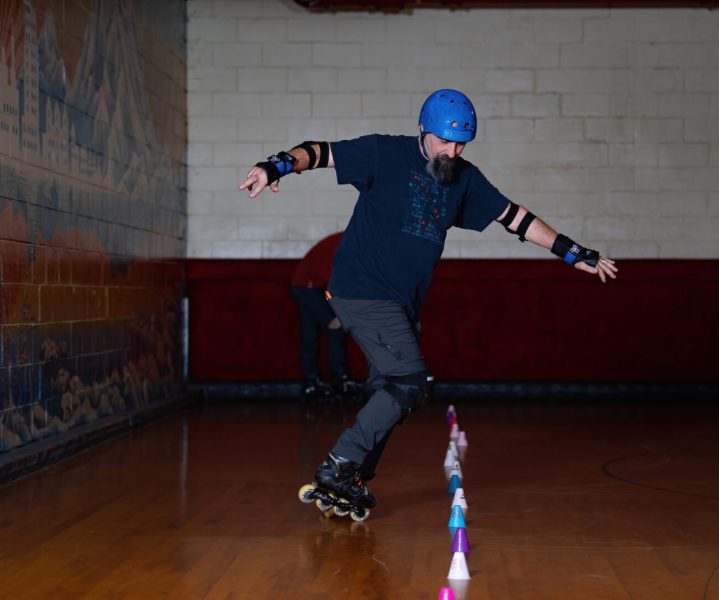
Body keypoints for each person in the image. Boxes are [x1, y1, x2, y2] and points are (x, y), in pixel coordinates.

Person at [239, 89, 618, 517]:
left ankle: (354, 474)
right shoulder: (384, 152)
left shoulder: (463, 177)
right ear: (424, 129)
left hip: (400, 303)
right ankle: (340, 463)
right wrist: (277, 166)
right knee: (410, 382)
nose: (451, 151)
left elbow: (514, 217)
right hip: (362, 289)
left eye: (460, 143)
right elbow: (319, 152)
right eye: (444, 141)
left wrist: (571, 252)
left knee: (390, 389)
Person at [290, 231, 357, 401]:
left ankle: (326, 379)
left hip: (313, 285)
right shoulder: (348, 243)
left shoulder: (351, 240)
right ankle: (324, 380)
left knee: (315, 332)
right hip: (307, 287)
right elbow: (337, 279)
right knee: (333, 325)